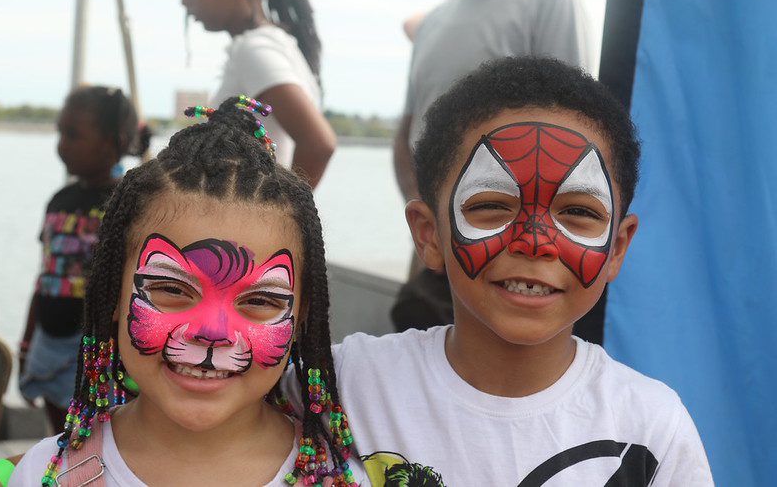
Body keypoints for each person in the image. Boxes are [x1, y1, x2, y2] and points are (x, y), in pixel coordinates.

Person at [287, 58, 714, 485]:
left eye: (579, 212)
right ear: (429, 234)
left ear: (617, 248)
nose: (535, 242)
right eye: (491, 205)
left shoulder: (653, 432)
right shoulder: (340, 386)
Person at [0, 97, 363, 486]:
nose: (213, 333)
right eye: (171, 288)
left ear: (302, 315)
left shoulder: (335, 480)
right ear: (113, 293)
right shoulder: (42, 475)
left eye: (260, 300)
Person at [392, 0, 593, 331]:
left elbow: (572, 127)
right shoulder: (434, 20)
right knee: (421, 343)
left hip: (510, 246)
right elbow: (407, 130)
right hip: (432, 241)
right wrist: (431, 216)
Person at [18, 86, 149, 434]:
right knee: (59, 434)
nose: (62, 145)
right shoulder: (59, 200)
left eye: (73, 135)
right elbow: (46, 272)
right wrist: (26, 341)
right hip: (47, 336)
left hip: (94, 346)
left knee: (91, 433)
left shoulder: (128, 203)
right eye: (60, 132)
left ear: (113, 142)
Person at [178, 0, 336, 188]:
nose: (183, 0)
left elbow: (318, 144)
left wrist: (282, 208)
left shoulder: (254, 50)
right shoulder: (278, 42)